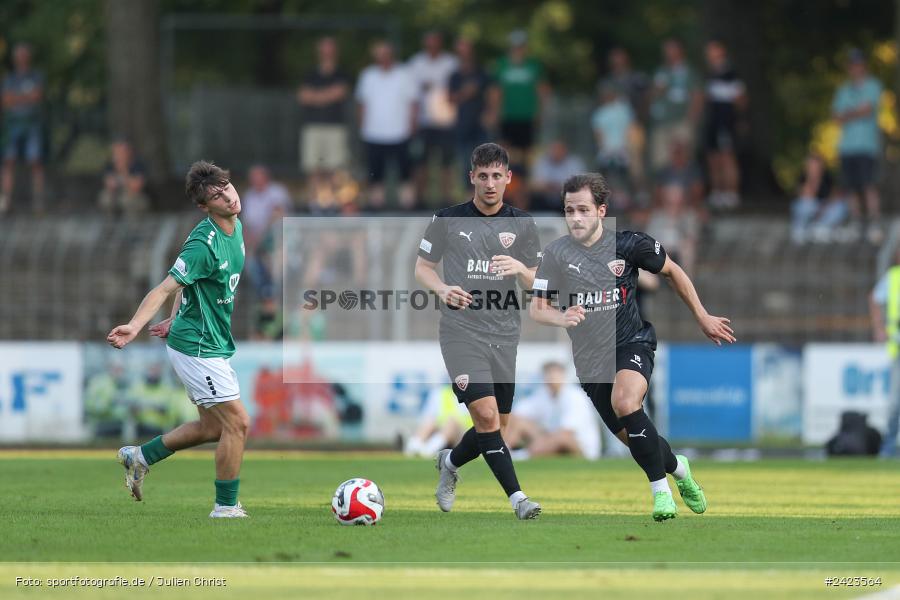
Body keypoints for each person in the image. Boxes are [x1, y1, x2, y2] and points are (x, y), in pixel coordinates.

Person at [529, 172, 735, 521]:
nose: (575, 218)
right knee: (639, 440)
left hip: (631, 342)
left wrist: (701, 316)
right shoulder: (556, 255)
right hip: (590, 363)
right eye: (569, 210)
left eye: (582, 209)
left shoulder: (629, 245)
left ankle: (661, 494)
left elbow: (673, 272)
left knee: (625, 401)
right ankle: (680, 470)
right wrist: (562, 318)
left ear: (601, 211)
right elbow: (538, 307)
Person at [107, 161, 250, 518]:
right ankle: (225, 508)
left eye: (227, 188)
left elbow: (193, 286)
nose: (229, 198)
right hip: (197, 347)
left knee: (212, 427)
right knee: (238, 423)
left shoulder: (235, 225)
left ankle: (140, 457)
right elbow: (166, 286)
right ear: (204, 207)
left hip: (208, 339)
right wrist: (136, 325)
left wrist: (175, 315)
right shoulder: (204, 244)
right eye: (217, 197)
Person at [415, 142, 543, 519]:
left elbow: (537, 281)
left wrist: (521, 270)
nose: (490, 184)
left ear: (508, 178)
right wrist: (441, 289)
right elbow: (422, 267)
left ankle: (450, 463)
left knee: (496, 428)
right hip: (460, 332)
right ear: (472, 177)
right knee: (486, 417)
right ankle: (518, 499)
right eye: (482, 176)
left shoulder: (523, 224)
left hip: (505, 334)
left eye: (496, 176)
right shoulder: (447, 219)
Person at [355, 40, 418, 210]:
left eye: (386, 53)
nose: (383, 57)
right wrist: (362, 127)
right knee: (376, 174)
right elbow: (362, 103)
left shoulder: (405, 73)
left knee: (405, 173)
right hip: (373, 133)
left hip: (400, 132)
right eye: (379, 54)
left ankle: (407, 207)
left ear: (392, 54)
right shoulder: (367, 75)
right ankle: (377, 207)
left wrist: (412, 125)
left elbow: (413, 102)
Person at [832, 48, 883, 243]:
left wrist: (847, 114)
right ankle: (855, 222)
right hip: (847, 146)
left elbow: (866, 110)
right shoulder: (843, 90)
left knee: (868, 184)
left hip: (866, 146)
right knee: (850, 187)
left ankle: (874, 223)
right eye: (852, 65)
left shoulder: (873, 86)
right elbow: (836, 117)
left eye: (858, 64)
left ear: (864, 66)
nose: (855, 68)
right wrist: (854, 112)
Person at [505, 361, 600, 460]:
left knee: (562, 438)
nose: (551, 378)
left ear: (563, 376)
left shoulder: (575, 396)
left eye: (554, 375)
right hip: (551, 439)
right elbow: (517, 413)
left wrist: (542, 440)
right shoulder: (543, 394)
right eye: (548, 374)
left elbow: (566, 432)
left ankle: (522, 456)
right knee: (518, 421)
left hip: (581, 447)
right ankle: (503, 450)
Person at [408, 31, 459, 204]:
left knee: (446, 164)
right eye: (429, 43)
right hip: (424, 121)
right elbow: (410, 92)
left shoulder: (451, 62)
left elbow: (455, 89)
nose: (432, 47)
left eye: (435, 43)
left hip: (446, 122)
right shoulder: (416, 63)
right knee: (421, 163)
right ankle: (419, 200)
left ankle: (447, 199)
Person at [492, 30, 550, 166]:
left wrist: (540, 112)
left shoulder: (534, 65)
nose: (518, 49)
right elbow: (495, 91)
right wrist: (495, 112)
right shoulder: (501, 65)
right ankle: (508, 183)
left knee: (528, 152)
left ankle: (525, 181)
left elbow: (542, 90)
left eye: (521, 46)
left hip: (528, 114)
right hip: (507, 114)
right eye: (515, 46)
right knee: (504, 151)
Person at [1, 43, 45, 214]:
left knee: (35, 161)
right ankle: (6, 201)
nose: (21, 59)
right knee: (8, 161)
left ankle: (38, 202)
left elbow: (37, 96)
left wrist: (16, 98)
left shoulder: (36, 76)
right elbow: (5, 101)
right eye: (19, 56)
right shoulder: (9, 79)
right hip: (13, 124)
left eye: (24, 55)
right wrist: (26, 97)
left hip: (31, 123)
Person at [297, 36, 350, 176]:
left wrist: (315, 96)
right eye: (323, 49)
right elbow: (303, 97)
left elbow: (340, 93)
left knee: (336, 169)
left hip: (335, 127)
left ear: (335, 51)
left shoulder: (342, 73)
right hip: (312, 127)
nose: (326, 52)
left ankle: (333, 199)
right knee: (313, 168)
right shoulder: (310, 73)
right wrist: (328, 95)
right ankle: (315, 198)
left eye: (329, 49)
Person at [703, 40, 747, 210]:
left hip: (726, 122)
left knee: (727, 157)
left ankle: (731, 193)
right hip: (712, 121)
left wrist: (740, 119)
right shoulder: (709, 74)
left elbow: (741, 99)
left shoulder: (731, 73)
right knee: (713, 158)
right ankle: (717, 192)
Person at [649, 39, 702, 173]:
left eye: (672, 49)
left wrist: (691, 120)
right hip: (661, 122)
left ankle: (685, 190)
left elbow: (697, 96)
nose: (668, 53)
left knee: (683, 159)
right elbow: (651, 95)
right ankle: (666, 191)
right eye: (666, 50)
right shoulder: (661, 71)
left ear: (680, 51)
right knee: (661, 161)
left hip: (681, 121)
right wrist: (655, 91)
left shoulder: (689, 71)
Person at [869, 249, 900, 457]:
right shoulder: (893, 277)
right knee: (895, 402)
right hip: (898, 348)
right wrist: (879, 328)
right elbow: (874, 299)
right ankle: (888, 446)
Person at [448, 38, 492, 184]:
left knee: (484, 162)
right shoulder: (455, 76)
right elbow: (450, 98)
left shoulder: (482, 72)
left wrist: (492, 113)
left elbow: (493, 93)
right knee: (465, 163)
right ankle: (469, 195)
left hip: (480, 124)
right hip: (462, 124)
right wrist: (466, 92)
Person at [404, 385, 474, 458]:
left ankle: (426, 452)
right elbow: (427, 418)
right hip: (443, 434)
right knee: (430, 422)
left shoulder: (474, 392)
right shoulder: (440, 393)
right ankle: (413, 448)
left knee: (452, 423)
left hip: (467, 436)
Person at [530, 140, 586, 212]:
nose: (556, 152)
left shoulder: (574, 163)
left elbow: (579, 185)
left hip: (566, 198)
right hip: (544, 198)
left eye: (559, 150)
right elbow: (534, 184)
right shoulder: (542, 162)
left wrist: (559, 187)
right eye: (554, 150)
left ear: (565, 151)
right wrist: (549, 187)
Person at [98, 139, 150, 214]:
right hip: (117, 195)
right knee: (105, 198)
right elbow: (109, 185)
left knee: (127, 200)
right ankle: (109, 222)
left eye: (121, 151)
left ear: (128, 152)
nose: (118, 155)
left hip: (137, 197)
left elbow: (136, 186)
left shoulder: (137, 165)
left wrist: (124, 169)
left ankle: (133, 224)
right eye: (116, 152)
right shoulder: (110, 166)